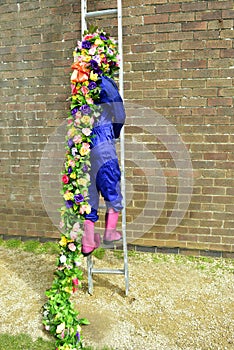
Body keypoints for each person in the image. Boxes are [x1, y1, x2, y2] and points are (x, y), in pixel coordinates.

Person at [71, 31, 126, 256]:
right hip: (102, 142)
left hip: (83, 145)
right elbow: (119, 112)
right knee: (112, 185)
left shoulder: (79, 86)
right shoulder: (104, 82)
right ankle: (110, 233)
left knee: (90, 192)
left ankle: (87, 242)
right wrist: (114, 132)